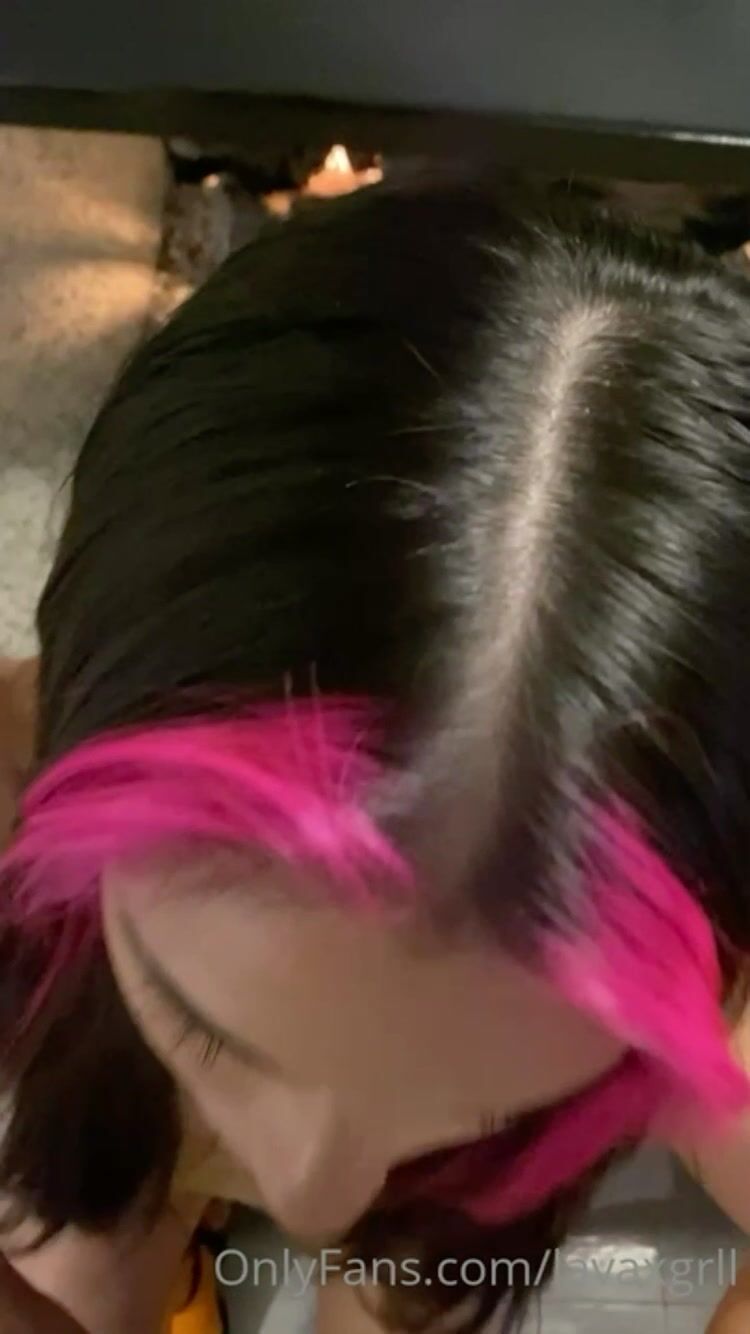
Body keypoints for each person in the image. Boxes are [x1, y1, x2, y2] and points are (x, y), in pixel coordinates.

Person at [2, 169, 750, 1334]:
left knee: (406, 1283)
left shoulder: (711, 983)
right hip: (110, 1098)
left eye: (490, 1098)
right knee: (83, 1242)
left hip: (439, 1225)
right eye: (207, 1021)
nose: (316, 1193)